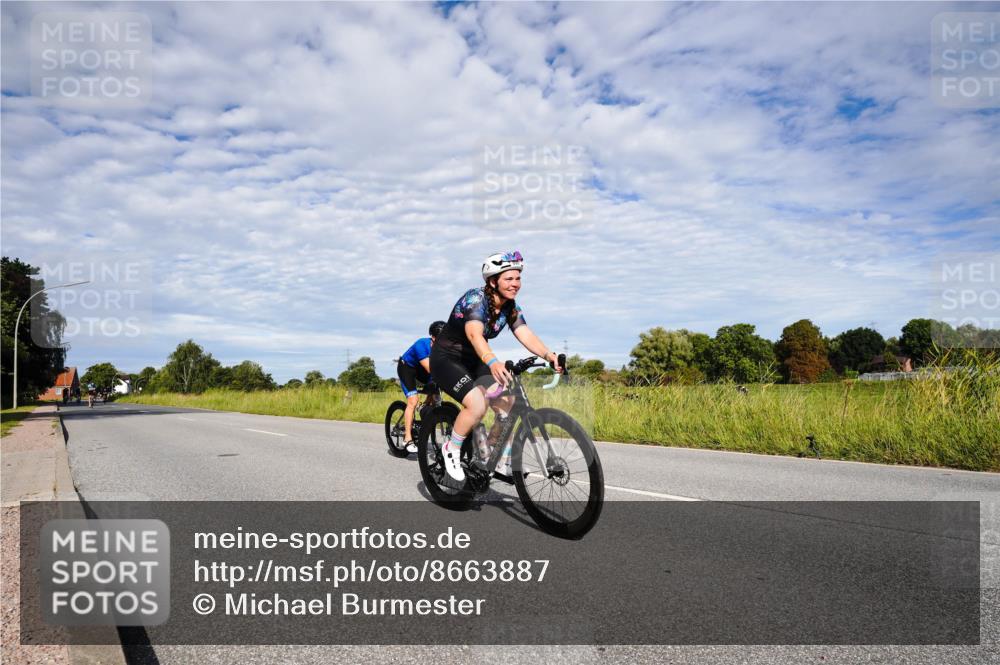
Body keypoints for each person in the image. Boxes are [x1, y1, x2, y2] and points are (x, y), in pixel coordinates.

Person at [430, 251, 563, 482]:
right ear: (493, 281)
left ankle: (494, 455)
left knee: (507, 404)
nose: (515, 284)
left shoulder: (511, 307)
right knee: (477, 404)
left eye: (518, 278)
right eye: (509, 279)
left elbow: (524, 333)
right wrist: (492, 361)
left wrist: (548, 355)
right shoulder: (475, 299)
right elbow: (474, 334)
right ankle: (451, 448)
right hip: (447, 359)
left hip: (475, 359)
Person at [397, 322, 445, 454]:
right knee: (413, 401)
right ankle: (407, 438)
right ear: (433, 338)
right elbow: (430, 369)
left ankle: (424, 407)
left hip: (422, 370)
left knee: (437, 389)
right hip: (407, 368)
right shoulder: (421, 345)